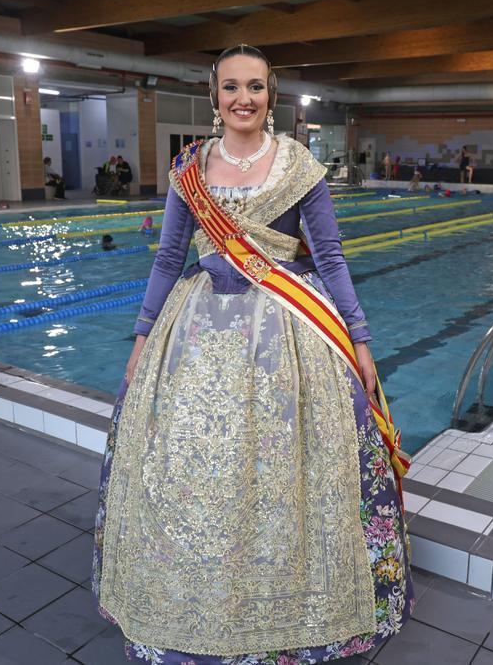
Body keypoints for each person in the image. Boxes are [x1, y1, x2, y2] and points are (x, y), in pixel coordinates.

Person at [93, 43, 411, 665]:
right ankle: (194, 605)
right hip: (196, 333)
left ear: (272, 95)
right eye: (232, 86)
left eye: (256, 87)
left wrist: (360, 339)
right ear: (214, 96)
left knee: (287, 469)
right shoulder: (189, 169)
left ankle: (295, 613)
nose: (244, 98)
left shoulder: (299, 167)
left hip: (287, 334)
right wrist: (142, 339)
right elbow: (168, 258)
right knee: (195, 469)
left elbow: (330, 258)